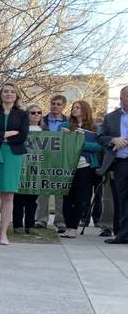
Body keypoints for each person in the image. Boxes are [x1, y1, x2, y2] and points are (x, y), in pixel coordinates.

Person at [0, 82, 29, 245]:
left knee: (9, 194)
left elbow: (22, 136)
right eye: (5, 91)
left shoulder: (23, 115)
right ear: (0, 94)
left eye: (12, 92)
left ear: (16, 96)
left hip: (13, 155)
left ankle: (4, 233)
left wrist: (0, 135)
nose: (8, 94)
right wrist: (8, 134)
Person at [60, 100, 102, 238]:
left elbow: (98, 147)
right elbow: (59, 143)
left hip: (86, 166)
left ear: (85, 110)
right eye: (73, 107)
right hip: (68, 165)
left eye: (78, 107)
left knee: (80, 197)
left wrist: (80, 142)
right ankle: (67, 225)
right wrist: (67, 136)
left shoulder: (95, 128)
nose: (74, 109)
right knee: (67, 196)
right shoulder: (64, 125)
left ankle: (73, 227)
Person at [97, 85, 128, 244]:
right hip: (121, 163)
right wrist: (113, 140)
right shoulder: (111, 117)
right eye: (127, 96)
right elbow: (100, 137)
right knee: (122, 199)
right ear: (121, 98)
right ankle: (122, 234)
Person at [36, 93, 70, 231]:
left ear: (63, 106)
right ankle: (40, 220)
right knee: (42, 192)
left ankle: (60, 221)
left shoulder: (68, 122)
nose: (55, 106)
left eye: (58, 104)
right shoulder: (41, 120)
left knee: (60, 193)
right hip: (44, 160)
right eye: (53, 103)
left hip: (62, 161)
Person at [13, 104, 45, 234]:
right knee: (19, 198)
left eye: (39, 112)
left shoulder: (45, 130)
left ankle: (30, 225)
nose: (36, 115)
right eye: (33, 113)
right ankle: (17, 225)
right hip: (22, 166)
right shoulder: (21, 129)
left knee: (32, 199)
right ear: (27, 115)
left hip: (37, 168)